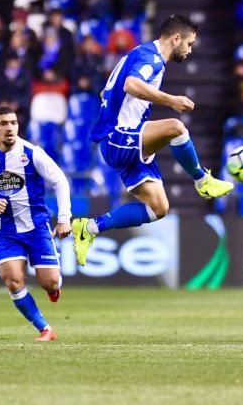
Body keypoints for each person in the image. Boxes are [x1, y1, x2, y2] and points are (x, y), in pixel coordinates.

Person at [71, 15, 233, 265]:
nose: (190, 50)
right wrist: (171, 100)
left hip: (122, 140)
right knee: (176, 128)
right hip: (118, 138)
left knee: (158, 208)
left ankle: (89, 228)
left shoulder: (141, 52)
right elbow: (131, 84)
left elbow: (107, 90)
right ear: (176, 38)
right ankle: (202, 180)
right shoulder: (152, 58)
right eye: (189, 44)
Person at [0, 106, 71, 342]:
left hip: (37, 227)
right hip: (5, 231)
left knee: (50, 281)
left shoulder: (32, 153)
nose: (10, 128)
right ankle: (45, 328)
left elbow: (60, 181)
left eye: (13, 122)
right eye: (3, 123)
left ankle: (53, 289)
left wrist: (64, 218)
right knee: (13, 280)